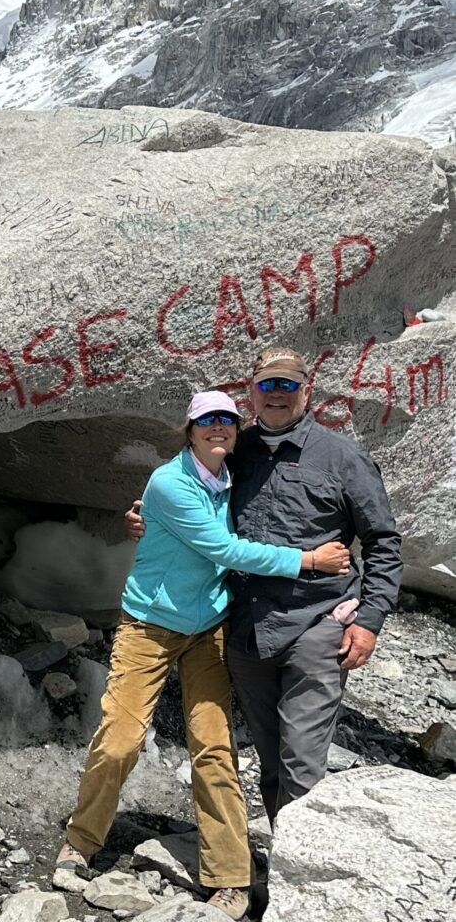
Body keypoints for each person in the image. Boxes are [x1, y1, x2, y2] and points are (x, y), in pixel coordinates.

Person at [58, 389, 351, 921]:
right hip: (149, 626)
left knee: (214, 749)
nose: (219, 428)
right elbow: (224, 549)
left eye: (227, 420)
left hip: (209, 628)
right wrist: (308, 559)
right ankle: (80, 840)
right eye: (206, 420)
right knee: (121, 739)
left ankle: (230, 877)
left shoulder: (232, 472)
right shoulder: (170, 482)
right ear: (189, 429)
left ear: (236, 430)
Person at [125, 347, 402, 824]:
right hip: (248, 626)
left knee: (301, 764)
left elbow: (383, 541)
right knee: (270, 760)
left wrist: (370, 620)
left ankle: (301, 883)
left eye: (288, 386)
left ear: (307, 392)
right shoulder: (235, 446)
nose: (277, 395)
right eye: (267, 386)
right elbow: (187, 493)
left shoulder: (344, 458)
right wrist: (145, 517)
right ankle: (279, 866)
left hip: (319, 624)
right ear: (251, 392)